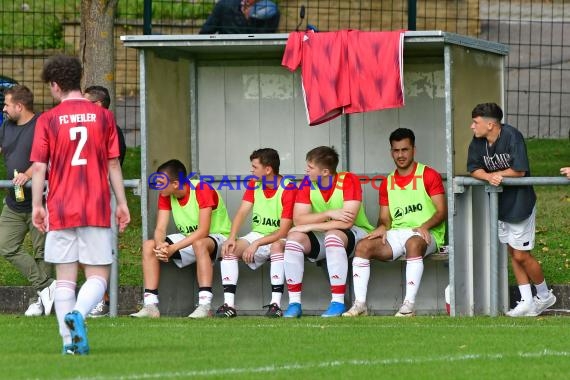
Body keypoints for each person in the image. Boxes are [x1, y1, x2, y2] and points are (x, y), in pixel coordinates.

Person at [31, 55, 131, 355]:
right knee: (98, 275)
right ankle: (80, 313)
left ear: (55, 84)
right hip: (96, 206)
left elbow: (38, 167)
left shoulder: (47, 119)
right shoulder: (103, 116)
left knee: (65, 279)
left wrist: (38, 204)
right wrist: (122, 202)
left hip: (60, 207)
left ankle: (68, 343)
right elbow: (113, 163)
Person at [343, 128, 447, 317]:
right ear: (391, 151)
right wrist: (382, 227)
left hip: (426, 234)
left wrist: (425, 226)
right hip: (398, 234)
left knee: (413, 243)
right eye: (396, 150)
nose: (400, 155)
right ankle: (360, 305)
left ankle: (408, 306)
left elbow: (442, 211)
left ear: (413, 149)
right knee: (363, 246)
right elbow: (385, 219)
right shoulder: (387, 182)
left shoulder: (429, 175)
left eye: (405, 150)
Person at [467, 102, 556, 317]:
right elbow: (473, 169)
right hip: (501, 206)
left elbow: (519, 170)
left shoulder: (512, 136)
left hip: (520, 204)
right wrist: (488, 176)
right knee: (512, 253)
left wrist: (498, 175)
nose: (472, 126)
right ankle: (526, 301)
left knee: (521, 254)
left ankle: (545, 296)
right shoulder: (478, 141)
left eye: (475, 122)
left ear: (490, 125)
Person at [130, 159, 231, 319]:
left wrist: (173, 248)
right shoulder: (166, 194)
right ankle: (151, 306)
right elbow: (160, 228)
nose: (157, 186)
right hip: (190, 239)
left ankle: (205, 306)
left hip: (218, 238)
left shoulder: (202, 188)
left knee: (199, 243)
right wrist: (160, 245)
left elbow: (203, 231)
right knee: (149, 246)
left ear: (175, 184)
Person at [283, 146, 374, 318]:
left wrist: (310, 225)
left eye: (310, 168)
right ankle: (294, 303)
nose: (306, 171)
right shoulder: (307, 183)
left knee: (333, 235)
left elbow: (347, 222)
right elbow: (298, 220)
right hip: (323, 234)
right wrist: (328, 214)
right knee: (294, 238)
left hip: (356, 234)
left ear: (325, 171)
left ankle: (338, 303)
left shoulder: (349, 180)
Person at [216, 148, 296, 318]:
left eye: (254, 167)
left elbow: (283, 230)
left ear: (268, 170)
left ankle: (276, 304)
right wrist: (231, 237)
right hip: (258, 234)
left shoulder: (289, 188)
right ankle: (229, 306)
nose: (251, 170)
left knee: (276, 246)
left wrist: (257, 243)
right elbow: (242, 212)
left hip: (282, 237)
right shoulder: (254, 183)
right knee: (229, 249)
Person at [0, 85, 56, 317]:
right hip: (13, 202)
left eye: (7, 104)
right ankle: (46, 286)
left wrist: (29, 174)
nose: (3, 108)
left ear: (19, 106)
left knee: (43, 252)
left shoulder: (42, 124)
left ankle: (39, 301)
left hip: (40, 201)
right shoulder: (6, 126)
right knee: (5, 246)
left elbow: (49, 156)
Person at [83, 85, 127, 318]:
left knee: (101, 249)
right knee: (82, 250)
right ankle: (94, 297)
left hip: (103, 197)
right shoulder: (85, 129)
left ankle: (104, 300)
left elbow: (112, 164)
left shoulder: (111, 130)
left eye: (86, 102)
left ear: (98, 105)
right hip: (84, 196)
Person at [199, 0, 280, 34]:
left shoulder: (271, 11)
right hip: (225, 54)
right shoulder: (224, 6)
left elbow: (266, 40)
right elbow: (205, 34)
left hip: (256, 56)